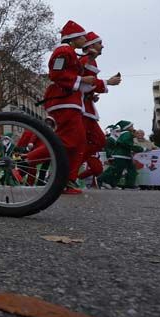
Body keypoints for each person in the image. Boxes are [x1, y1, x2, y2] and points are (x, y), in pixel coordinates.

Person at [43, 20, 119, 195]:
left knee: (76, 142)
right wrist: (83, 80)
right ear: (74, 38)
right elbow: (56, 74)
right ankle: (45, 168)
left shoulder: (70, 53)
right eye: (83, 36)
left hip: (70, 102)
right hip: (64, 101)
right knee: (71, 141)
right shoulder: (63, 51)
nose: (86, 38)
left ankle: (62, 177)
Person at [78, 32, 120, 187]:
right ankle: (67, 168)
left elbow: (86, 85)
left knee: (97, 141)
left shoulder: (90, 61)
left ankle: (70, 168)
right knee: (90, 141)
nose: (102, 46)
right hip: (81, 110)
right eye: (99, 43)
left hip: (86, 109)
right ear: (91, 45)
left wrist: (92, 94)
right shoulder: (85, 60)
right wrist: (107, 82)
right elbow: (81, 83)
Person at [99, 120, 144, 189]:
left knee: (121, 170)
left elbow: (125, 143)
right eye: (131, 126)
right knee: (116, 170)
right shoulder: (126, 133)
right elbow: (126, 144)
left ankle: (115, 184)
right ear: (127, 127)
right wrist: (139, 148)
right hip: (121, 155)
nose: (133, 127)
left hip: (124, 155)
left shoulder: (125, 134)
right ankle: (101, 180)